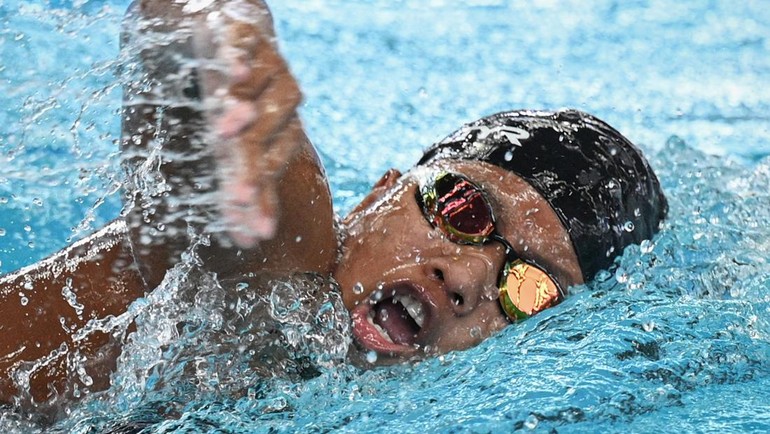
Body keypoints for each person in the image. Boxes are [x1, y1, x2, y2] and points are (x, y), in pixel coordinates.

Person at [0, 0, 666, 414]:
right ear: (380, 192)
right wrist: (217, 44)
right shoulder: (287, 263)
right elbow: (252, 189)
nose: (466, 280)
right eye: (465, 209)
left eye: (528, 288)